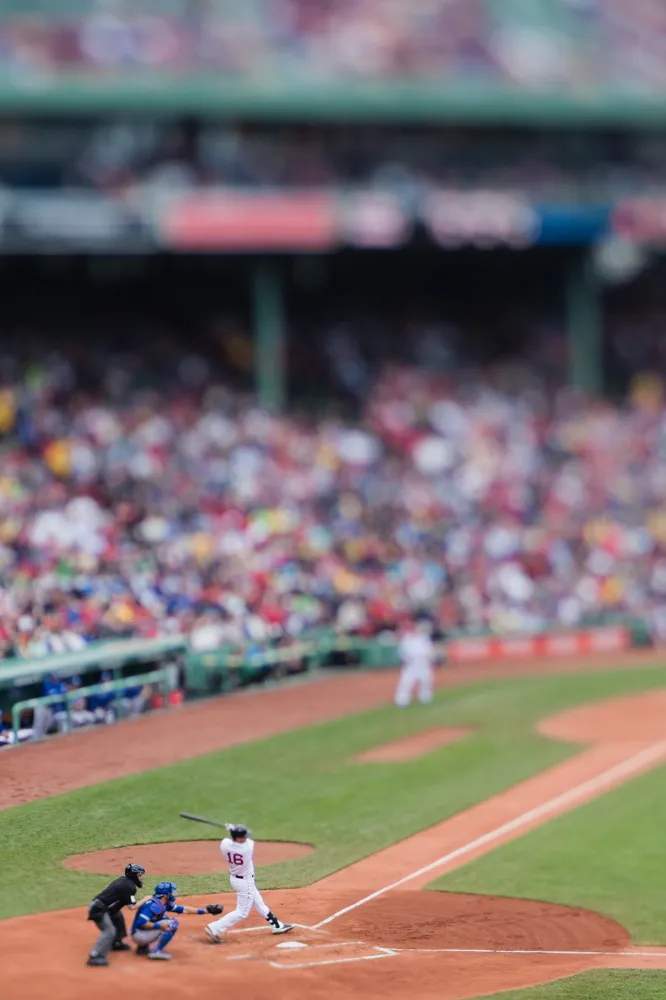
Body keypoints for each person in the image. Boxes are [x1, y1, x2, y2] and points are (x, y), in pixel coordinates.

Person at [205, 823, 293, 943]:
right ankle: (214, 928)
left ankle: (276, 925)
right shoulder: (247, 847)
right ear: (238, 838)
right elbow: (247, 841)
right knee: (242, 912)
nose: (246, 838)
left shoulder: (224, 845)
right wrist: (232, 828)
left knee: (259, 903)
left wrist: (231, 830)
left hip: (237, 879)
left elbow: (229, 839)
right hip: (244, 882)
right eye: (243, 836)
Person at [130, 881, 223, 960]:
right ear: (165, 895)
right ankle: (156, 951)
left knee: (164, 919)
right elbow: (140, 923)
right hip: (138, 935)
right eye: (171, 892)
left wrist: (207, 911)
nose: (173, 894)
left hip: (140, 933)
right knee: (172, 924)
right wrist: (159, 926)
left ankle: (142, 948)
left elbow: (185, 909)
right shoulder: (152, 906)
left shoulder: (163, 903)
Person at [87, 863, 146, 967]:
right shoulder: (128, 886)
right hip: (99, 909)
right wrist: (147, 898)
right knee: (109, 931)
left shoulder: (125, 881)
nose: (141, 877)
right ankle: (95, 955)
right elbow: (132, 906)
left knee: (118, 917)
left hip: (108, 908)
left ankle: (116, 943)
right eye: (139, 875)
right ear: (134, 875)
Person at [394, 617, 437, 707]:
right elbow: (402, 652)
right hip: (411, 663)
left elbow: (429, 650)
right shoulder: (406, 639)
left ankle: (425, 699)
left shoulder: (423, 638)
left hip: (424, 662)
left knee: (426, 681)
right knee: (406, 682)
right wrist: (405, 660)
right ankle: (402, 700)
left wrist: (431, 659)